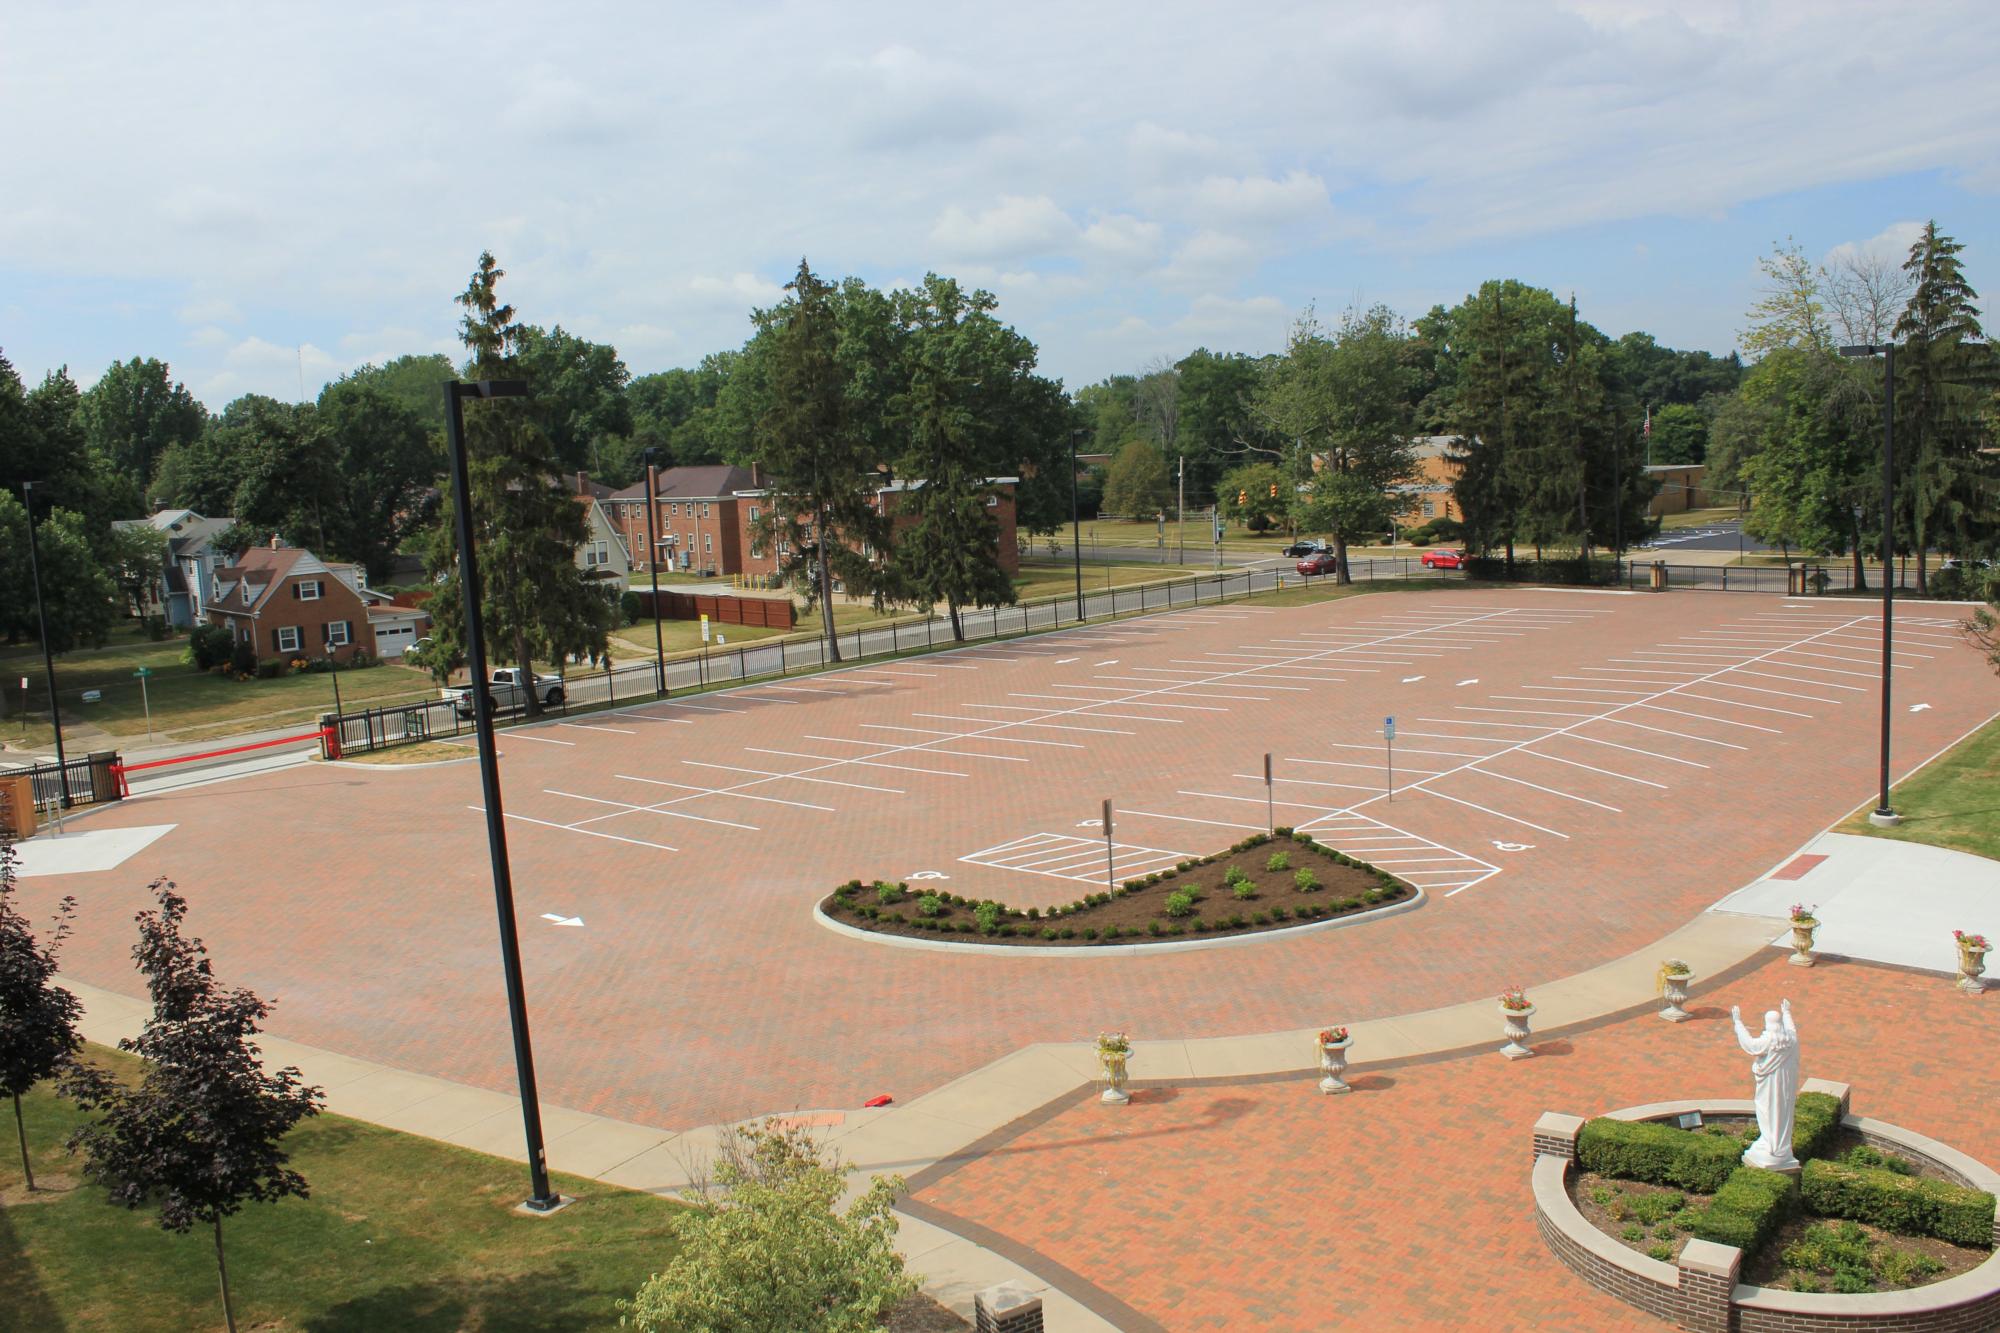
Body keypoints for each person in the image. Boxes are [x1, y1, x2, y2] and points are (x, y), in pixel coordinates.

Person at [1731, 999, 1800, 1169]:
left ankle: (1771, 1144)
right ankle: (1779, 1146)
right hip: (1785, 1084)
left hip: (1770, 1084)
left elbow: (1750, 1045)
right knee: (1782, 1113)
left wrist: (1738, 1023)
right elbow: (1792, 1029)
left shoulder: (1768, 1040)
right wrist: (1787, 1013)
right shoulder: (1790, 1039)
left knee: (1768, 1110)